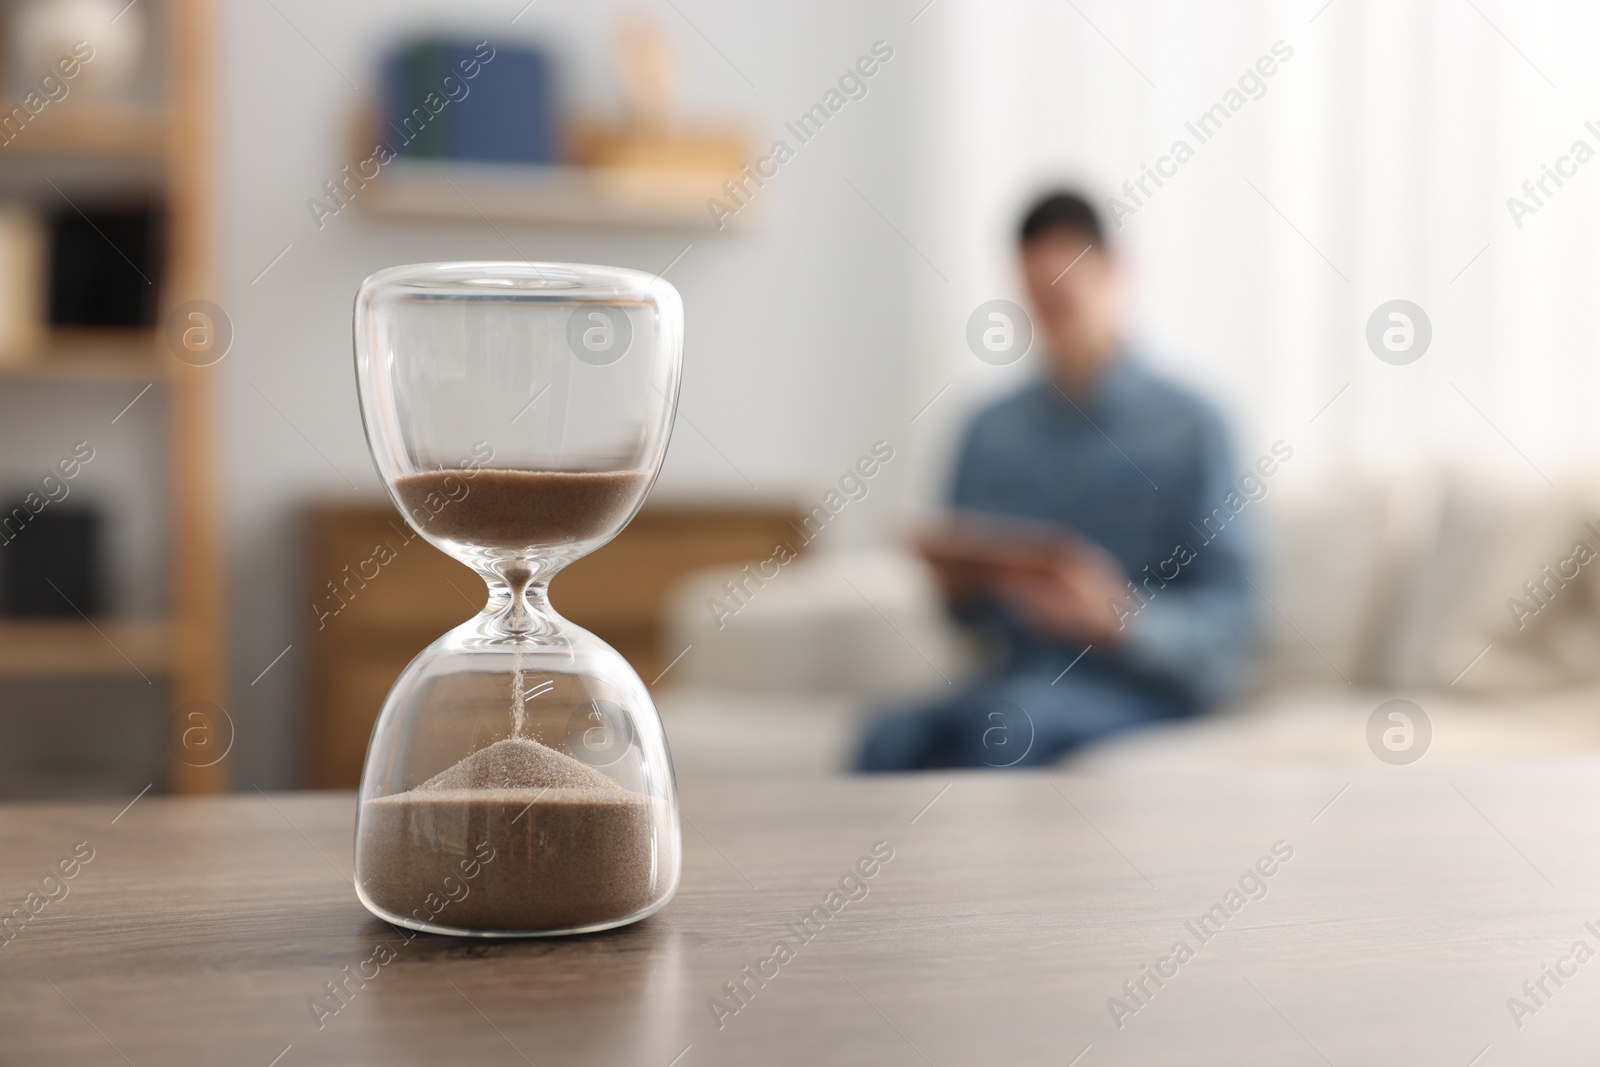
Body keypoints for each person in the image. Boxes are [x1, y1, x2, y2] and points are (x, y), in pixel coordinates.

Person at [858, 191, 1257, 771]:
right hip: (1015, 679)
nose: (1051, 320)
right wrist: (960, 583)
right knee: (888, 736)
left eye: (1064, 299)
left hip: (1138, 689)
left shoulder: (1196, 426)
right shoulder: (987, 428)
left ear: (1113, 273)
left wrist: (1120, 618)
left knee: (1006, 727)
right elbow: (966, 620)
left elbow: (1231, 624)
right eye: (1037, 301)